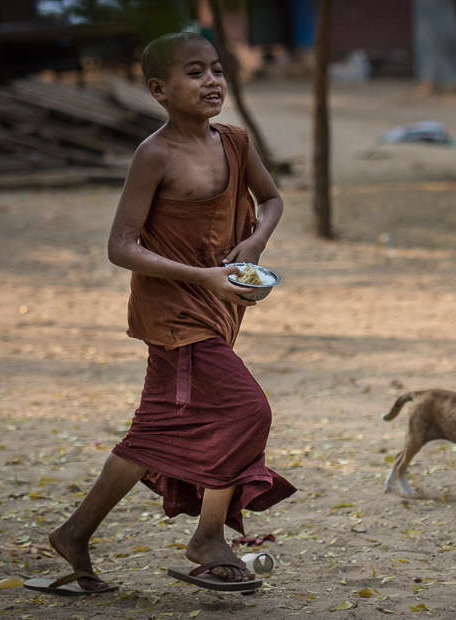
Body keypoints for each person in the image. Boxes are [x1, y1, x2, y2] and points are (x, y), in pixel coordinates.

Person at [44, 32, 295, 593]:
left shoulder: (235, 141)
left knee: (155, 429)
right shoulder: (153, 154)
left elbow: (273, 199)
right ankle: (208, 535)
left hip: (219, 306)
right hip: (175, 311)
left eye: (217, 70)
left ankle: (75, 532)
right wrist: (203, 276)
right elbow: (121, 246)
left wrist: (253, 245)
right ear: (159, 90)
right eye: (194, 72)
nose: (212, 81)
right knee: (247, 411)